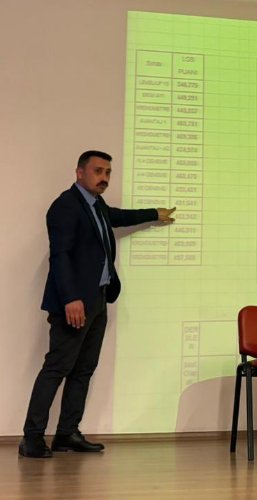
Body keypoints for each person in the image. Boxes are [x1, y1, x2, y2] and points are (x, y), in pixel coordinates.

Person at [18, 150, 176, 458]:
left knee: (83, 370)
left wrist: (153, 214)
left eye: (108, 173)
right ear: (80, 172)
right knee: (57, 368)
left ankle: (66, 433)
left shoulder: (96, 205)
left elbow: (118, 216)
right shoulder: (65, 206)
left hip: (98, 299)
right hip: (74, 304)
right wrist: (70, 298)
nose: (104, 178)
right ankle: (31, 438)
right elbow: (60, 255)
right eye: (98, 171)